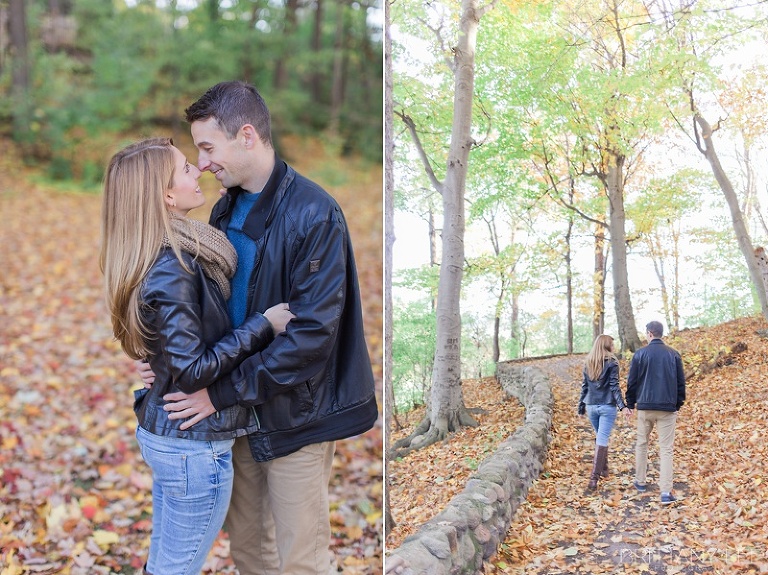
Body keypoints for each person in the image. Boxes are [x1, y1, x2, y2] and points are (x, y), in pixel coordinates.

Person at [137, 81, 378, 575]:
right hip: (237, 417)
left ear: (246, 135)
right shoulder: (224, 209)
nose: (202, 163)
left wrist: (218, 393)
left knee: (302, 562)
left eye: (208, 148)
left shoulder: (314, 213)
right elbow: (204, 309)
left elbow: (311, 337)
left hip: (297, 415)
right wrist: (164, 361)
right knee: (249, 553)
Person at [100, 137, 293, 575]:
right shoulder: (174, 266)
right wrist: (264, 324)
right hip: (191, 447)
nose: (199, 170)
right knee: (175, 568)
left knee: (164, 563)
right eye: (186, 168)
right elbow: (191, 370)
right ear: (167, 196)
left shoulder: (157, 251)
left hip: (167, 433)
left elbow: (170, 338)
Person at [625, 321, 686, 505]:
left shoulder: (640, 354)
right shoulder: (673, 354)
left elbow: (632, 382)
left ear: (650, 333)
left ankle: (640, 481)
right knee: (666, 448)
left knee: (642, 444)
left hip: (645, 406)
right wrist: (677, 403)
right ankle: (666, 492)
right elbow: (680, 383)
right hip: (667, 407)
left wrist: (630, 403)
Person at [578, 334, 631, 491]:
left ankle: (604, 469)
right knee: (602, 438)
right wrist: (622, 407)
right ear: (607, 346)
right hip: (607, 406)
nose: (614, 348)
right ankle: (593, 479)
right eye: (612, 345)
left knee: (600, 437)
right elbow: (614, 386)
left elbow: (584, 386)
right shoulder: (612, 362)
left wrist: (581, 407)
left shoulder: (588, 362)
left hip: (591, 406)